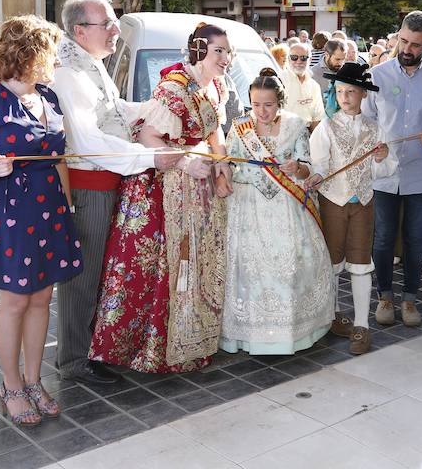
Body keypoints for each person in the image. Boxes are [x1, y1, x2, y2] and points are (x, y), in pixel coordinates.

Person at [51, 0, 182, 385]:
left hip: (108, 180)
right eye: (106, 23)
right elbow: (89, 141)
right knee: (83, 275)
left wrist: (150, 107)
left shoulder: (89, 63)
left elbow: (113, 110)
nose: (115, 31)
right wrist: (149, 158)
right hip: (90, 185)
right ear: (79, 29)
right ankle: (73, 361)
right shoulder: (68, 72)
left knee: (99, 272)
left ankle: (90, 349)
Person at [89, 22, 232, 373]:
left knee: (191, 261)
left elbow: (215, 132)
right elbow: (148, 136)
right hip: (160, 187)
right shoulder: (173, 87)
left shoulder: (216, 85)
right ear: (200, 50)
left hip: (197, 188)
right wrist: (184, 162)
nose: (226, 59)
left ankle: (188, 338)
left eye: (228, 52)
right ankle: (135, 349)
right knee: (153, 265)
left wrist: (222, 166)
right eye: (219, 51)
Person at [0, 15, 82, 427]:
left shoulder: (48, 97)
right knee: (14, 301)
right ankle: (11, 386)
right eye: (50, 50)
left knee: (41, 298)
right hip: (11, 212)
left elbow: (59, 159)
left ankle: (34, 381)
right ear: (28, 54)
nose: (56, 58)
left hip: (49, 209)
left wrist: (67, 205)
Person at [221, 69, 334, 354]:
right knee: (249, 266)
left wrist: (298, 168)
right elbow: (230, 165)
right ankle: (250, 333)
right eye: (256, 104)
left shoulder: (295, 126)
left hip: (287, 206)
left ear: (279, 102)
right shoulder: (240, 128)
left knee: (291, 264)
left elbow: (307, 164)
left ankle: (292, 331)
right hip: (248, 208)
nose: (261, 111)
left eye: (268, 104)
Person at [362, 11, 422, 327]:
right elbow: (366, 120)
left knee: (416, 238)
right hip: (384, 172)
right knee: (384, 237)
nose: (407, 48)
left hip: (421, 171)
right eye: (403, 40)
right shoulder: (377, 75)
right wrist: (375, 142)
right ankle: (385, 297)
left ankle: (410, 300)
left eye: (415, 45)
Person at [306, 61, 396, 354]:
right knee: (332, 262)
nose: (345, 97)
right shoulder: (326, 127)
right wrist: (316, 176)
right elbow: (319, 165)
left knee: (360, 263)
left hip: (363, 204)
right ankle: (332, 315)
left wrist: (382, 157)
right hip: (332, 201)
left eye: (352, 92)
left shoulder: (375, 128)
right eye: (341, 91)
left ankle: (361, 325)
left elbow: (383, 172)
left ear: (363, 95)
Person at [280, 41, 325, 130]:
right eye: (294, 58)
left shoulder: (314, 85)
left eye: (303, 58)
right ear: (288, 59)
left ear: (310, 60)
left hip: (307, 133)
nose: (299, 61)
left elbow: (317, 118)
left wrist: (313, 140)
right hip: (284, 133)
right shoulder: (280, 81)